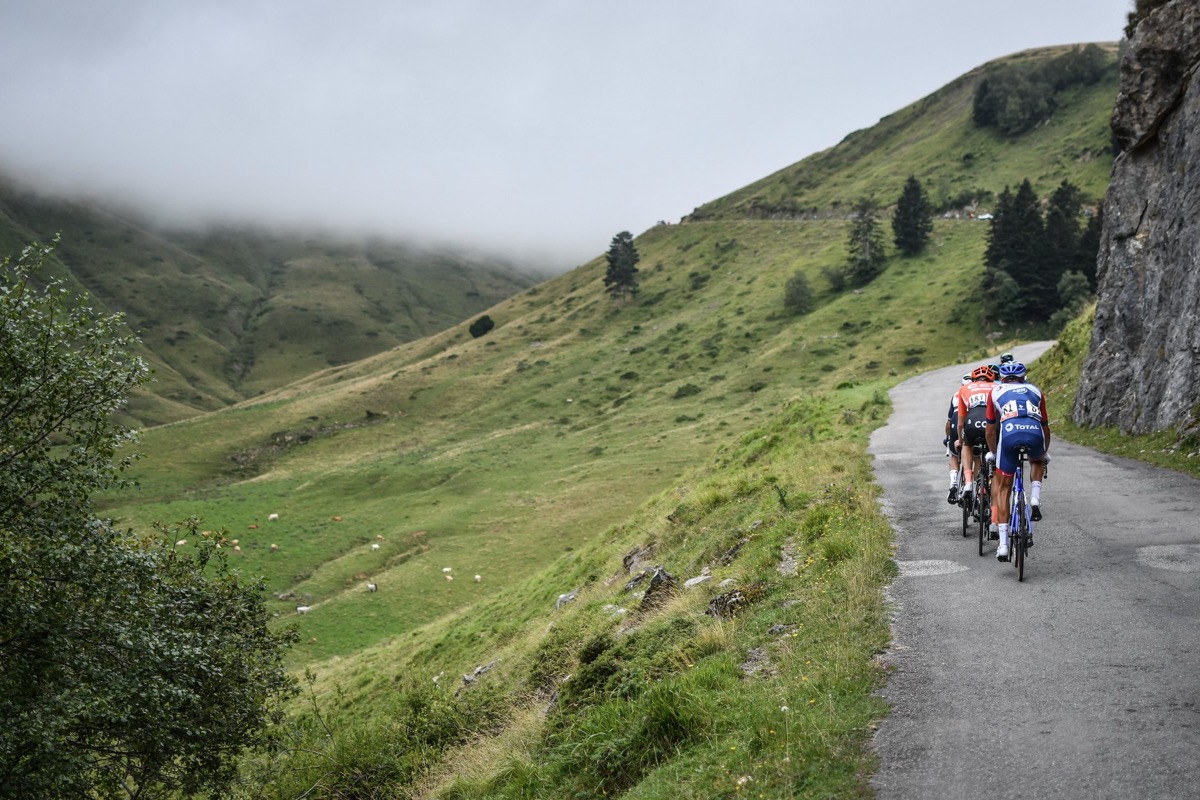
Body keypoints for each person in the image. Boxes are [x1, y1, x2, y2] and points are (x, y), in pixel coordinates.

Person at [984, 361, 1050, 561]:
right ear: (1024, 377)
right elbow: (1045, 427)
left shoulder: (995, 392)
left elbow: (989, 430)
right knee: (1037, 459)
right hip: (1035, 435)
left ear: (1002, 378)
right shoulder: (1036, 391)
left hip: (1009, 435)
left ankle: (1003, 545)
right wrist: (1044, 451)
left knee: (1004, 488)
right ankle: (1035, 498)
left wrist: (994, 452)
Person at [955, 364, 996, 509]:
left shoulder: (964, 389)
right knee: (993, 453)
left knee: (967, 444)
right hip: (991, 425)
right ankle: (986, 485)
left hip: (972, 423)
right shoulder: (997, 387)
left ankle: (967, 482)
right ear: (992, 379)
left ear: (973, 379)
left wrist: (960, 440)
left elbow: (960, 423)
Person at [944, 374, 970, 503]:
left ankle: (953, 482)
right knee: (974, 455)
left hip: (955, 422)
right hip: (973, 422)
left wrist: (948, 438)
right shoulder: (980, 392)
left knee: (954, 455)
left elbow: (948, 423)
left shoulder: (956, 395)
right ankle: (975, 484)